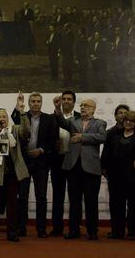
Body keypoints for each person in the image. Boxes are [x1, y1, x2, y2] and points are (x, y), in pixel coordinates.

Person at [53, 96, 107, 240]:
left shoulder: (100, 123)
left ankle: (92, 231)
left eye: (87, 106)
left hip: (91, 168)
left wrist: (82, 137)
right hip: (73, 167)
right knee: (74, 201)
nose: (83, 108)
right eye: (82, 105)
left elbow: (102, 137)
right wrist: (58, 109)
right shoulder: (73, 121)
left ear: (93, 109)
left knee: (91, 201)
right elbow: (62, 123)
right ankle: (73, 230)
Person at [0, 93, 30, 242]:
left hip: (11, 173)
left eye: (4, 116)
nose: (2, 119)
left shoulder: (14, 130)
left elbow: (26, 132)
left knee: (13, 205)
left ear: (8, 118)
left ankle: (12, 233)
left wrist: (22, 111)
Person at [11, 92, 58, 238]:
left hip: (41, 162)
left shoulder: (49, 119)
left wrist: (41, 150)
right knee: (22, 196)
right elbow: (13, 117)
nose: (36, 103)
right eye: (33, 101)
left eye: (38, 101)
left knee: (41, 197)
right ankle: (21, 228)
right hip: (24, 162)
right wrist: (19, 104)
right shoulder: (22, 116)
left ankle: (41, 229)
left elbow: (53, 140)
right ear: (29, 103)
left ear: (42, 103)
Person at [101, 111, 135, 240]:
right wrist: (104, 169)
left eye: (131, 120)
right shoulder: (113, 135)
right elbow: (106, 154)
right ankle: (117, 231)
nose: (128, 122)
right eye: (126, 120)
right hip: (116, 177)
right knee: (116, 205)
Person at [49, 90, 80, 237]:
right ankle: (57, 228)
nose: (66, 101)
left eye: (69, 99)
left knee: (75, 197)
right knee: (58, 196)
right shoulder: (52, 117)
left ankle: (74, 229)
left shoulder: (81, 117)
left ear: (74, 102)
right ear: (60, 101)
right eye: (64, 99)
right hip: (57, 160)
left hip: (75, 161)